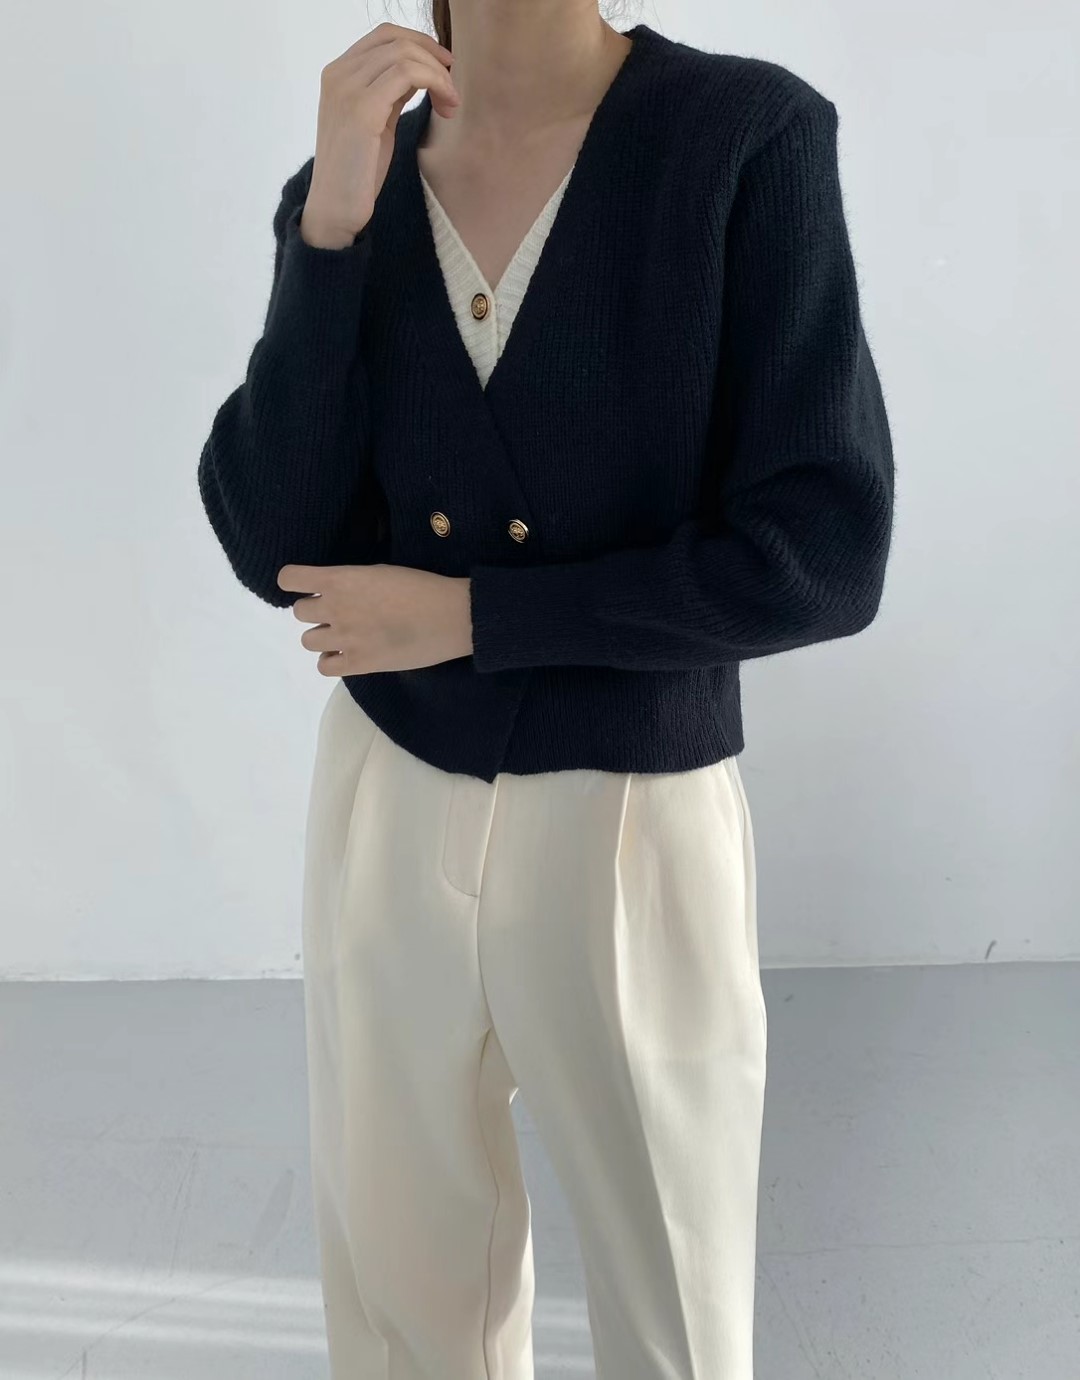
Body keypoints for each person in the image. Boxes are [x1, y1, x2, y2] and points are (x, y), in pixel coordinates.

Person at [197, 6, 894, 1377]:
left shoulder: (744, 138)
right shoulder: (357, 180)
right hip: (390, 796)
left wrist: (474, 615)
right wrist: (329, 228)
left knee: (673, 1310)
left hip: (632, 808)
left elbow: (821, 553)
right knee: (404, 1304)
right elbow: (272, 534)